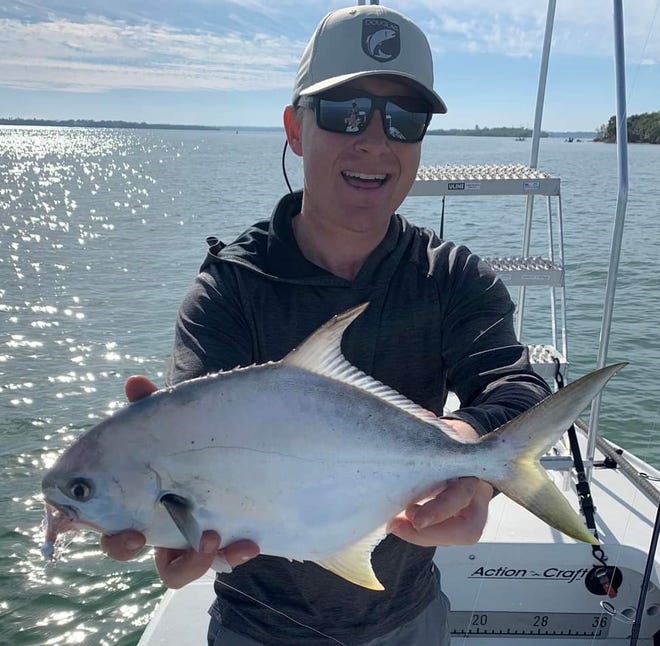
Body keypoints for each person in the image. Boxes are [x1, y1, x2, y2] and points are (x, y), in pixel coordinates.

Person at [103, 5, 551, 645]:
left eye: (403, 120)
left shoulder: (451, 276)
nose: (375, 141)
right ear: (294, 128)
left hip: (410, 617)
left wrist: (471, 447)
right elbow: (194, 446)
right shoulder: (230, 289)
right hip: (257, 628)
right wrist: (156, 489)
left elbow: (515, 384)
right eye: (345, 113)